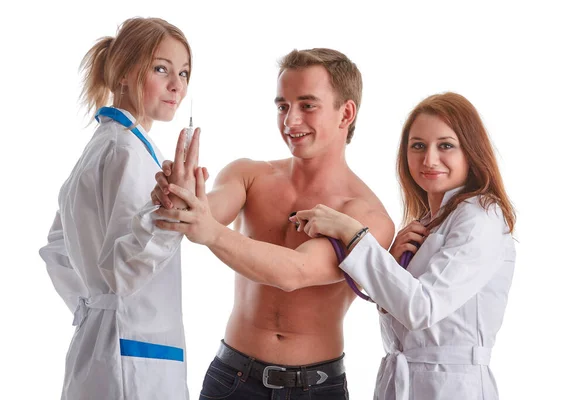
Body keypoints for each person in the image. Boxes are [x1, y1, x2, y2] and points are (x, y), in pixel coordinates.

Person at [150, 48, 395, 399]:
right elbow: (207, 211)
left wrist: (208, 229)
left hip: (317, 389)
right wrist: (183, 196)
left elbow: (295, 272)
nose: (290, 121)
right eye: (283, 106)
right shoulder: (249, 174)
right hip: (231, 378)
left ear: (346, 113)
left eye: (307, 105)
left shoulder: (368, 216)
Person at [291, 92, 517, 400]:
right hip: (403, 382)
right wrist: (393, 266)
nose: (429, 159)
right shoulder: (428, 221)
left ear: (471, 151)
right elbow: (406, 316)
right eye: (418, 146)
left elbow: (421, 310)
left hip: (453, 387)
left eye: (446, 145)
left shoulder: (480, 217)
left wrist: (353, 233)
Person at [38, 17, 199, 400]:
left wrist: (90, 309)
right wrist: (166, 216)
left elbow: (57, 246)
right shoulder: (126, 150)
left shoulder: (105, 144)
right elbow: (121, 265)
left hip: (103, 343)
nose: (177, 84)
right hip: (131, 357)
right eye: (162, 69)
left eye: (185, 72)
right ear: (125, 72)